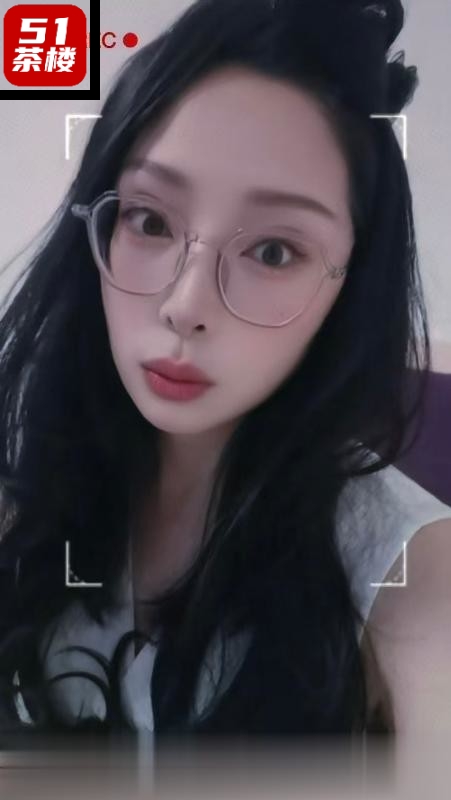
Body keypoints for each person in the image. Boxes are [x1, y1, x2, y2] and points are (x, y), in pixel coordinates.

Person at [0, 0, 450, 775]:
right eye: (149, 220)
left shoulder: (409, 573)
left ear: (348, 287)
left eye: (273, 251)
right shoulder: (25, 479)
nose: (184, 306)